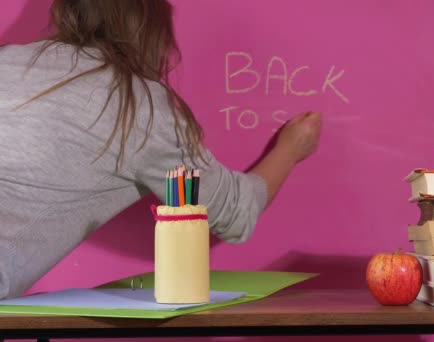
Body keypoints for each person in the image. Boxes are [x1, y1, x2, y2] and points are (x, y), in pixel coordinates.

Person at [0, 0, 322, 299]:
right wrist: (290, 149)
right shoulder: (137, 106)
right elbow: (234, 213)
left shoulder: (6, 60)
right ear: (147, 26)